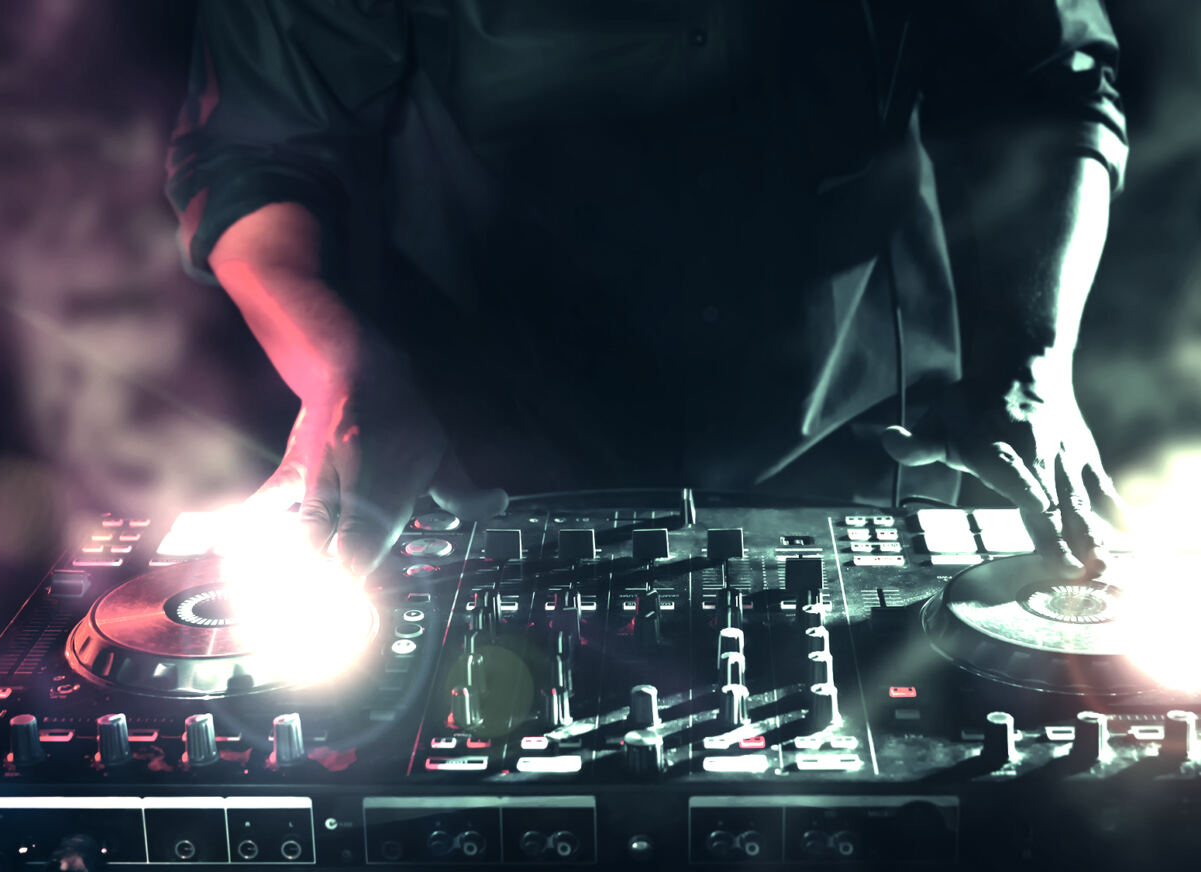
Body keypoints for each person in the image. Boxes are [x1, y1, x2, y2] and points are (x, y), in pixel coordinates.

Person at [165, 1, 1129, 577]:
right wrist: (346, 374)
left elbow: (1050, 82)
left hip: (865, 460)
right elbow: (254, 151)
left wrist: (1032, 359)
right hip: (488, 466)